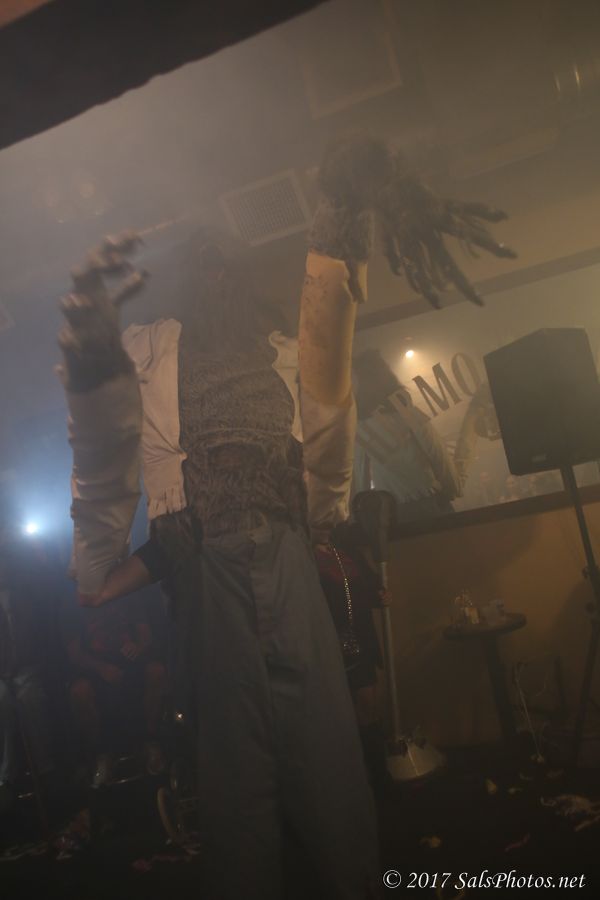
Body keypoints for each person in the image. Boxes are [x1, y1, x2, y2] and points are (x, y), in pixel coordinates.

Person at [57, 134, 512, 899]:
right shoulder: (147, 353)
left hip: (288, 557)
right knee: (236, 779)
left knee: (328, 762)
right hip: (204, 564)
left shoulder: (281, 356)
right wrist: (90, 349)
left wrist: (348, 203)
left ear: (238, 274)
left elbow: (329, 342)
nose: (213, 268)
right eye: (199, 258)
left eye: (222, 258)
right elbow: (101, 448)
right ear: (182, 280)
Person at [353, 349, 498, 522]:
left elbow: (359, 488)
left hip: (394, 520)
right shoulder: (408, 415)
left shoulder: (359, 430)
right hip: (431, 510)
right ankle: (474, 411)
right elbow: (446, 470)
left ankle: (474, 412)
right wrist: (452, 486)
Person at [62, 588, 167, 785]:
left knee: (157, 672)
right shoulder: (73, 600)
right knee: (79, 691)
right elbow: (75, 654)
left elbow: (145, 634)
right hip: (95, 665)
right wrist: (101, 668)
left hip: (129, 660)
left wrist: (138, 646)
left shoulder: (126, 589)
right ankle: (100, 755)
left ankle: (150, 741)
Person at [314, 521, 390, 792]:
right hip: (325, 643)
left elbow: (369, 585)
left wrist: (379, 594)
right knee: (336, 712)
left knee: (367, 703)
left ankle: (379, 779)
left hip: (359, 639)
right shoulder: (301, 557)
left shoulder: (344, 548)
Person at [0, 508, 57, 816]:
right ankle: (6, 779)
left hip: (27, 667)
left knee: (30, 698)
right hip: (1, 673)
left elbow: (35, 636)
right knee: (3, 703)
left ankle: (46, 772)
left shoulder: (27, 588)